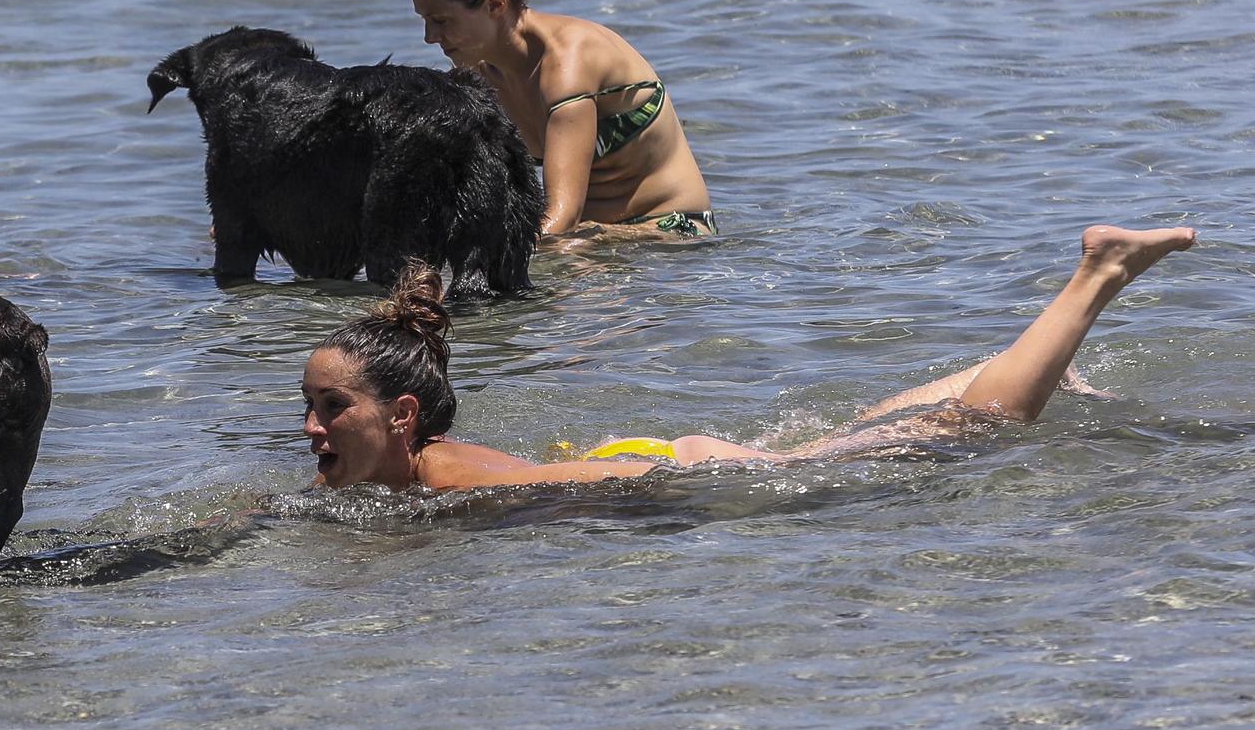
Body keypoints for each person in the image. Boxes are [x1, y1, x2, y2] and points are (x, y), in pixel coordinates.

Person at [301, 225, 1197, 491]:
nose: (310, 427)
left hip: (676, 470)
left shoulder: (448, 477)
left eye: (330, 408)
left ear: (402, 416)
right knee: (860, 434)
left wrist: (683, 489)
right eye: (309, 406)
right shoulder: (378, 480)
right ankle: (1017, 357)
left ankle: (1097, 275)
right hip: (662, 453)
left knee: (978, 433)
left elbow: (588, 489)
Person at [408, 0, 713, 239]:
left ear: (494, 5)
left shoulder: (568, 62)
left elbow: (562, 221)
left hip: (672, 234)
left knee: (555, 254)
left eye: (441, 21)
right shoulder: (478, 76)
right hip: (594, 240)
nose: (429, 37)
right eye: (423, 20)